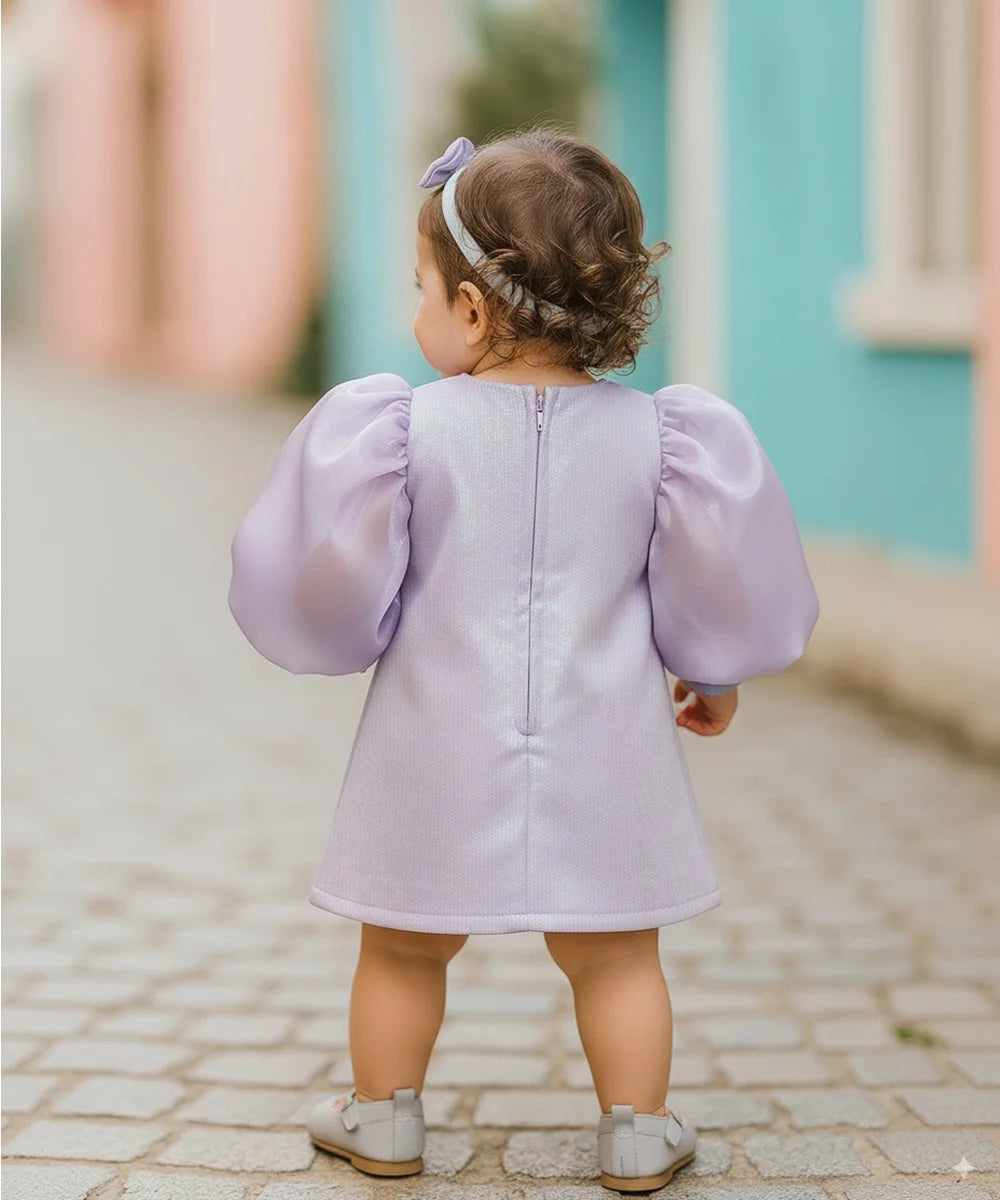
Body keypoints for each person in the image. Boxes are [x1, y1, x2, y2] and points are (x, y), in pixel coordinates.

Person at [227, 129, 820, 1192]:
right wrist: (712, 672)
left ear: (470, 309)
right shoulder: (663, 439)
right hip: (606, 738)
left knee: (404, 946)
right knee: (617, 953)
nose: (416, 312)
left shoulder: (401, 435)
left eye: (422, 288)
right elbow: (712, 576)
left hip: (433, 735)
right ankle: (636, 1131)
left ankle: (384, 1117)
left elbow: (334, 575)